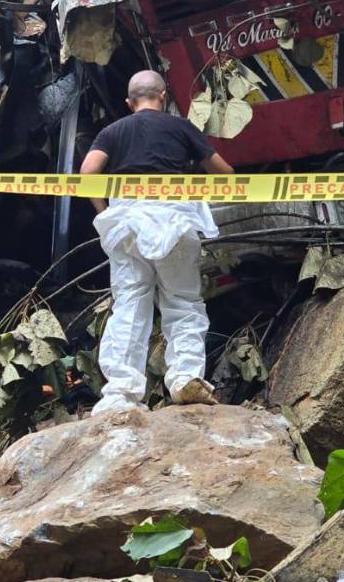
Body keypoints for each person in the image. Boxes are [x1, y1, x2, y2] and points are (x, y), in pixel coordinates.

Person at [80, 70, 234, 414]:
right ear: (163, 96)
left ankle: (120, 393)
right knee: (182, 302)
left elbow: (88, 173)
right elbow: (225, 174)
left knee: (131, 304)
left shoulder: (112, 131)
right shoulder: (181, 128)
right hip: (175, 221)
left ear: (128, 102)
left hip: (127, 224)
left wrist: (104, 212)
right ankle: (184, 380)